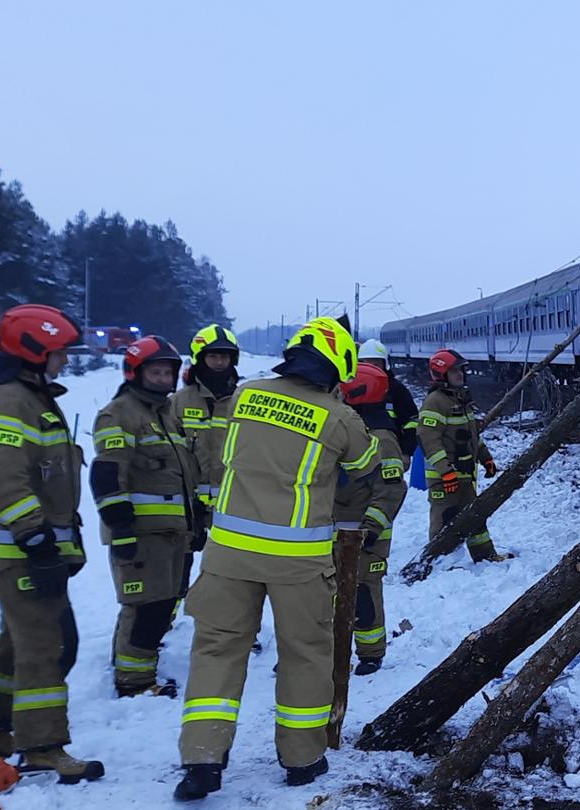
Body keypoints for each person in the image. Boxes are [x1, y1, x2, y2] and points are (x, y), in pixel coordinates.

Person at [174, 317, 378, 801]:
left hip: (228, 555)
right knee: (305, 655)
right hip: (298, 563)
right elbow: (366, 468)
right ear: (339, 365)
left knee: (216, 652)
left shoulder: (246, 395)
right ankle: (302, 759)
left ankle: (202, 759)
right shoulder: (338, 417)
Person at [0, 304, 105, 784]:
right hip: (21, 550)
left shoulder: (30, 396)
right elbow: (1, 475)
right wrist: (36, 536)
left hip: (30, 548)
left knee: (18, 638)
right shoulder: (9, 400)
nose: (64, 362)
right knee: (48, 644)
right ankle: (42, 745)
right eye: (58, 353)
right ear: (32, 351)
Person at [90, 336, 199, 698]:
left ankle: (133, 665)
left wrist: (193, 520)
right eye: (155, 372)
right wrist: (120, 526)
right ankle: (133, 683)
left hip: (171, 533)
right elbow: (107, 471)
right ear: (135, 373)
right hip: (140, 533)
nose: (163, 378)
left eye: (168, 372)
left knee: (164, 603)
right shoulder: (119, 413)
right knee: (143, 606)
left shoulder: (165, 414)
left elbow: (182, 474)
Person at [332, 362, 408, 675]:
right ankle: (329, 651)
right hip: (334, 531)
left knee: (363, 595)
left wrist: (371, 529)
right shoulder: (347, 428)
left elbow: (391, 489)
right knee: (328, 593)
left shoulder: (382, 438)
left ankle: (370, 653)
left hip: (365, 537)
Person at [171, 324, 242, 593]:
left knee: (234, 566)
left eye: (225, 356)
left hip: (232, 503)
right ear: (200, 357)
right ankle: (167, 616)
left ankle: (237, 625)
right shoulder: (179, 401)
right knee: (180, 562)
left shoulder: (243, 399)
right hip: (189, 503)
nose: (219, 361)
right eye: (213, 355)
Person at [419, 349, 503, 562]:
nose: (460, 375)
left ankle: (485, 556)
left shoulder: (460, 400)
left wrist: (486, 458)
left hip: (464, 476)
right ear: (441, 374)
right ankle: (437, 561)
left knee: (475, 517)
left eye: (461, 371)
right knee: (444, 519)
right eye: (454, 371)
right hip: (443, 479)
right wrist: (445, 473)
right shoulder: (435, 402)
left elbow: (472, 436)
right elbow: (429, 440)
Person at [357, 338, 420, 461]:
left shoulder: (396, 390)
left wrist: (407, 452)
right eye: (366, 364)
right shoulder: (350, 389)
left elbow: (411, 421)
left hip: (390, 454)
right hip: (356, 457)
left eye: (375, 365)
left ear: (385, 365)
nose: (371, 369)